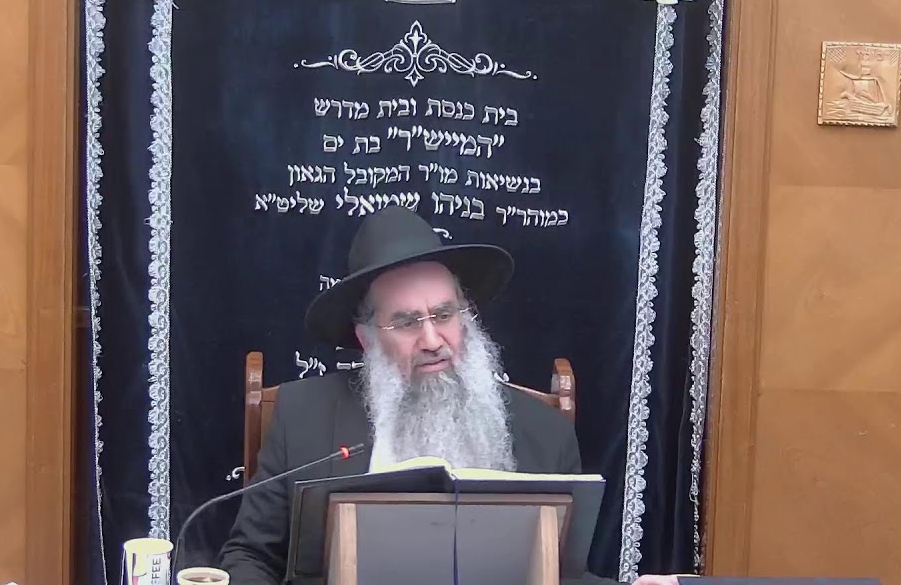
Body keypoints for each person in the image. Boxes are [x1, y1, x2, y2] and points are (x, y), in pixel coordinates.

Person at [217, 206, 682, 585]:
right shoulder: (303, 417)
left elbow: (562, 577)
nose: (432, 340)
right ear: (367, 338)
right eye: (405, 323)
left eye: (443, 314)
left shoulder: (545, 434)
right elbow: (250, 556)